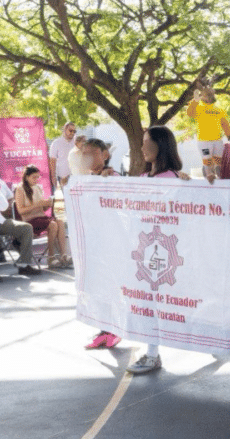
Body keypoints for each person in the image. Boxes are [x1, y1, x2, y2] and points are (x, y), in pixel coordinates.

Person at [88, 126, 188, 357]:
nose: (141, 147)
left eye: (146, 142)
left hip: (166, 252)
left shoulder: (173, 178)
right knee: (150, 305)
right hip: (145, 251)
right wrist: (106, 183)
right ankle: (152, 354)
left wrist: (191, 183)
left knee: (168, 305)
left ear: (160, 146)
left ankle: (207, 348)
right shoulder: (143, 177)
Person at [15, 165, 70, 268]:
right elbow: (21, 211)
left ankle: (63, 255)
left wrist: (47, 204)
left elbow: (42, 209)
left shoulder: (38, 187)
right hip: (29, 220)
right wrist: (37, 205)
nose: (36, 180)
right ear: (26, 177)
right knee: (53, 225)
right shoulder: (20, 189)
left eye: (37, 177)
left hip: (41, 217)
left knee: (60, 222)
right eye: (33, 177)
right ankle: (51, 256)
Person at [186, 80, 230, 180]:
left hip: (217, 141)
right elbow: (189, 113)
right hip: (204, 142)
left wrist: (229, 134)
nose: (209, 97)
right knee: (207, 160)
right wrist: (195, 100)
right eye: (206, 95)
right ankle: (208, 175)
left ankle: (219, 175)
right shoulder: (199, 108)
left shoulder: (218, 110)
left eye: (210, 95)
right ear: (203, 96)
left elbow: (224, 123)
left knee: (218, 160)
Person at [49, 122, 78, 189]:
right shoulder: (56, 143)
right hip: (63, 177)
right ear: (64, 130)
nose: (72, 133)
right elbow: (52, 161)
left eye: (74, 131)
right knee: (68, 198)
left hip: (76, 176)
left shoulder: (76, 143)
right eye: (70, 130)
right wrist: (53, 177)